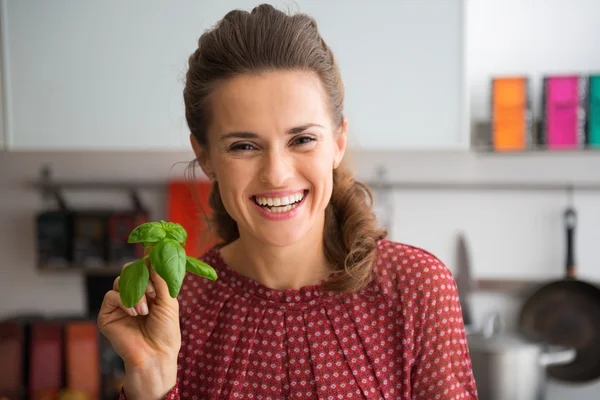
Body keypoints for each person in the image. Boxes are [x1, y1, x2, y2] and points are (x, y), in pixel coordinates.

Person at [98, 4, 478, 399]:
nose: (276, 173)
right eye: (243, 146)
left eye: (302, 140)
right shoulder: (178, 308)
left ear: (338, 142)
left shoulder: (417, 289)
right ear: (206, 156)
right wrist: (150, 375)